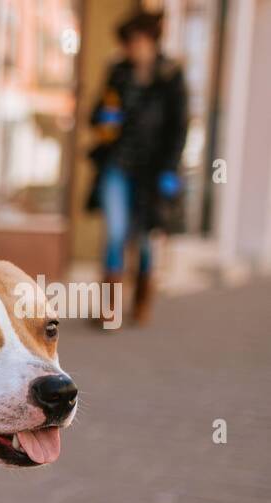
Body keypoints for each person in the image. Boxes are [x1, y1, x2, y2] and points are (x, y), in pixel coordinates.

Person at [87, 10, 188, 326]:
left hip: (153, 171)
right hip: (117, 164)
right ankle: (111, 310)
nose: (130, 50)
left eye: (135, 42)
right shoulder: (118, 72)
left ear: (149, 41)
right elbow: (97, 112)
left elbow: (179, 126)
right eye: (127, 44)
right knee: (115, 233)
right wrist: (105, 118)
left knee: (145, 239)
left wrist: (170, 169)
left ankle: (142, 302)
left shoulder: (171, 75)